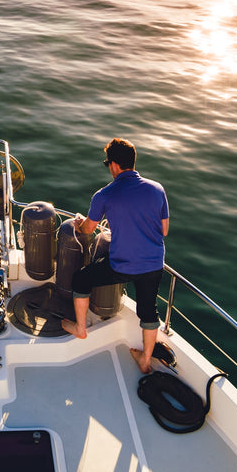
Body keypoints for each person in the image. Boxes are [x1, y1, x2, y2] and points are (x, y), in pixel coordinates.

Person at [62, 138, 170, 374]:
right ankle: (145, 359)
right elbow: (164, 230)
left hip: (122, 265)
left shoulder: (104, 194)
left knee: (81, 279)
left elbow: (89, 229)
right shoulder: (157, 189)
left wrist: (80, 223)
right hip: (153, 263)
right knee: (148, 311)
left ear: (113, 165)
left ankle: (80, 329)